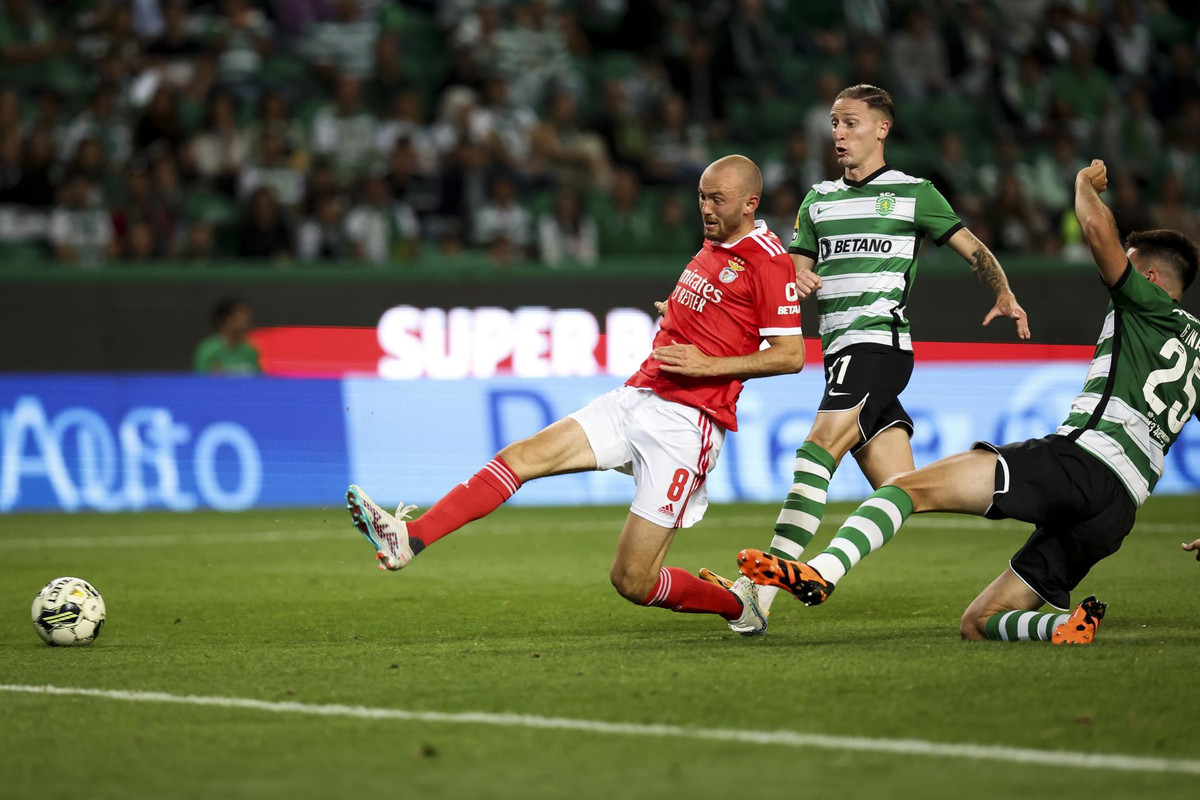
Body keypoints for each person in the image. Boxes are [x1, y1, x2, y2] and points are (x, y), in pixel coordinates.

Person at [738, 159, 1200, 646]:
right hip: (1118, 511)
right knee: (979, 622)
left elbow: (1095, 227)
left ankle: (822, 571)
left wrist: (1084, 184)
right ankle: (1062, 627)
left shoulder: (1145, 303)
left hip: (1082, 463)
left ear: (1150, 278)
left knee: (906, 488)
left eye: (1130, 263)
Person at [345, 155, 805, 636]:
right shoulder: (716, 243)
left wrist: (708, 364)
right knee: (520, 457)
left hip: (686, 426)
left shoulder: (766, 260)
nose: (706, 209)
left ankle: (738, 607)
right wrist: (679, 313)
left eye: (718, 200)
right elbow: (723, 315)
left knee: (632, 580)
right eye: (701, 197)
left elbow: (790, 354)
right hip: (639, 395)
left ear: (750, 203)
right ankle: (409, 538)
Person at [701, 84, 1031, 619]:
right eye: (834, 123)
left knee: (817, 449)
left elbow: (974, 250)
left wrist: (1003, 290)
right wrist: (799, 277)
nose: (838, 133)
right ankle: (1022, 483)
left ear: (882, 128)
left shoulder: (914, 193)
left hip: (877, 343)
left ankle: (757, 594)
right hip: (840, 354)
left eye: (850, 122)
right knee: (903, 488)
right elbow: (790, 273)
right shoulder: (817, 200)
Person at [194, 297, 262, 376]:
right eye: (241, 314)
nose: (246, 319)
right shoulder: (208, 351)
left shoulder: (250, 351)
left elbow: (258, 380)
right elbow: (200, 381)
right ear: (226, 319)